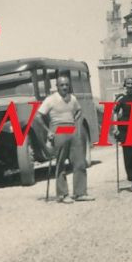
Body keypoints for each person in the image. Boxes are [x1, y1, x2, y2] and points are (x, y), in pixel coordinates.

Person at [40, 74, 91, 202]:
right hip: (59, 129)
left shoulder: (72, 99)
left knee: (79, 161)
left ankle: (80, 193)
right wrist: (48, 131)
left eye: (67, 85)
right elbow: (38, 116)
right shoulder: (50, 99)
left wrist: (76, 120)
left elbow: (78, 110)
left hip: (72, 128)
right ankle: (63, 195)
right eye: (62, 85)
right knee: (61, 163)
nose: (64, 87)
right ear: (57, 86)